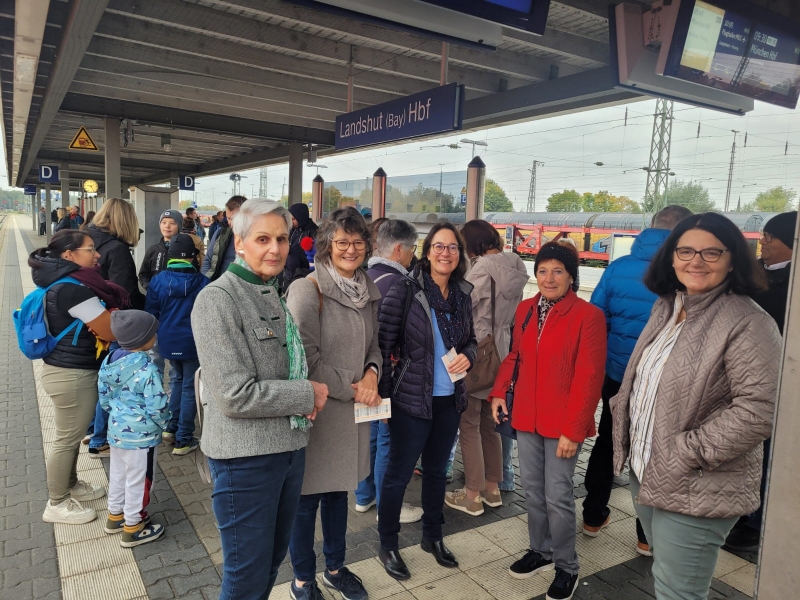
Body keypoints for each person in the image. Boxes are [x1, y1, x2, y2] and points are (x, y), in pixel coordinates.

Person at [610, 212, 780, 600]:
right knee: (666, 574)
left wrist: (686, 452)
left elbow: (760, 409)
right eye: (685, 251)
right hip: (648, 469)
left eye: (711, 252)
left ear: (733, 259)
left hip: (698, 480)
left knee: (678, 591)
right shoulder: (668, 307)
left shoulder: (748, 321)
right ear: (671, 257)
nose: (696, 261)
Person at [192, 199, 328, 599]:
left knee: (269, 564)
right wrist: (307, 393)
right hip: (245, 461)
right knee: (246, 576)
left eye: (282, 239)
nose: (275, 249)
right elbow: (234, 395)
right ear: (240, 243)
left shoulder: (269, 291)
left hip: (287, 451)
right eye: (263, 239)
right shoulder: (219, 299)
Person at [489, 241, 606, 600]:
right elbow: (515, 355)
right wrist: (498, 391)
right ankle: (540, 550)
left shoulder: (588, 316)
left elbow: (589, 378)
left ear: (571, 276)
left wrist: (574, 430)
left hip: (563, 425)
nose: (549, 278)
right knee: (533, 491)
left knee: (557, 495)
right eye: (542, 270)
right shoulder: (526, 309)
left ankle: (567, 566)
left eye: (558, 271)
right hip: (527, 416)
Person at [582, 205, 692, 555]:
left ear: (651, 226)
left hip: (617, 374)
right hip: (663, 381)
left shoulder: (618, 268)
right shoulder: (685, 271)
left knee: (607, 441)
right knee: (654, 450)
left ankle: (592, 516)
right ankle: (646, 536)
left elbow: (596, 320)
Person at [285, 207, 382, 600]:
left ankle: (336, 569)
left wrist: (372, 373)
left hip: (353, 414)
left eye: (358, 242)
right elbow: (305, 359)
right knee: (306, 500)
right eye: (342, 242)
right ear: (327, 245)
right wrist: (355, 388)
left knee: (339, 494)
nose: (350, 249)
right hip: (319, 413)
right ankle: (302, 579)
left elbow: (374, 345)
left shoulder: (367, 290)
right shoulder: (307, 290)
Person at [376, 222, 477, 581]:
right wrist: (383, 399)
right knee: (398, 475)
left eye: (452, 247)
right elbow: (383, 345)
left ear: (459, 254)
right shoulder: (406, 290)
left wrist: (469, 356)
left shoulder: (462, 295)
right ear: (427, 251)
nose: (445, 253)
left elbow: (471, 341)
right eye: (439, 246)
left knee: (436, 473)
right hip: (411, 401)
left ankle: (432, 537)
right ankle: (388, 544)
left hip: (449, 400)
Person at [30, 230, 129, 524]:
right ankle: (57, 502)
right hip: (72, 375)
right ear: (69, 255)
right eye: (90, 249)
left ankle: (71, 485)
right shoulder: (73, 290)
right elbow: (109, 330)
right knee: (65, 440)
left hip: (67, 370)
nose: (97, 255)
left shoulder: (60, 282)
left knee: (71, 437)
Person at [445, 220, 528, 516]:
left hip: (478, 350)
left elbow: (461, 307)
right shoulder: (516, 265)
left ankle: (472, 496)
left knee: (468, 423)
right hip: (503, 349)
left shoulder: (481, 268)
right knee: (490, 424)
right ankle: (492, 489)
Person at [724, 210, 796, 551]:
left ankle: (755, 520)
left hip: (775, 381)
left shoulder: (792, 284)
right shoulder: (748, 273)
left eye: (771, 237)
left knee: (767, 452)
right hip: (735, 375)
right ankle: (739, 507)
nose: (763, 242)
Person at [354, 219, 423, 524]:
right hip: (387, 374)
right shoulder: (400, 284)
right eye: (412, 249)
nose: (413, 255)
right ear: (398, 250)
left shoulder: (364, 276)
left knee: (369, 435)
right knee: (387, 440)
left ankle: (363, 496)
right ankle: (388, 507)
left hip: (362, 371)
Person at [98, 310, 169, 547]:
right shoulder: (148, 369)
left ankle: (115, 516)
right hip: (142, 437)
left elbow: (104, 398)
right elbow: (157, 406)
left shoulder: (109, 361)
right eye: (153, 333)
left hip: (116, 432)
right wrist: (165, 424)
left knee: (118, 475)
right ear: (143, 339)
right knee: (140, 481)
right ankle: (133, 527)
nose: (155, 337)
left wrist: (118, 417)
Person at [144, 234, 208, 456]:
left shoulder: (158, 281)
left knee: (176, 380)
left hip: (167, 340)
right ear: (192, 257)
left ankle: (170, 429)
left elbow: (151, 312)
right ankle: (184, 439)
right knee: (190, 387)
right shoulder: (203, 283)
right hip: (192, 342)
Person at [86, 198, 144, 309]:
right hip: (112, 311)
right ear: (128, 220)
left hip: (87, 306)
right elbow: (124, 292)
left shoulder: (84, 237)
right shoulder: (117, 249)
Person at [202, 195, 247, 281]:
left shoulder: (256, 239)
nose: (231, 223)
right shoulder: (220, 233)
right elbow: (207, 260)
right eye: (228, 218)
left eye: (234, 219)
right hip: (216, 284)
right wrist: (206, 283)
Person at [138, 209, 182, 292]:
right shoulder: (152, 250)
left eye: (172, 223)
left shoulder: (184, 250)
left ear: (179, 226)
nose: (167, 226)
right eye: (164, 222)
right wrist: (150, 288)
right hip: (154, 296)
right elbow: (143, 275)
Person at [285, 203, 318, 284]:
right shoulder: (293, 230)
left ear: (300, 217)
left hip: (303, 276)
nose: (291, 222)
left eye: (293, 219)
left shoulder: (314, 232)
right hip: (289, 275)